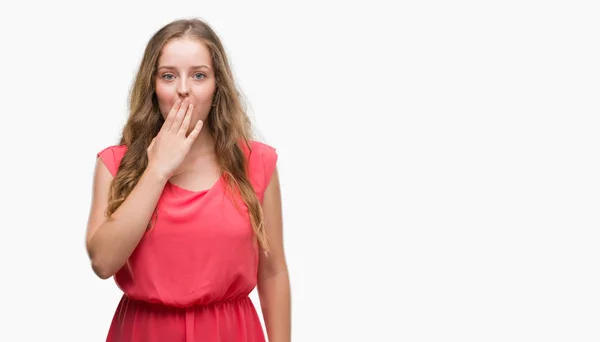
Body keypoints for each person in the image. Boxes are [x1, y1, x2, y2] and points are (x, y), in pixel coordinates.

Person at [84, 18, 291, 342]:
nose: (184, 88)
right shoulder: (114, 164)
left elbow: (273, 271)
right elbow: (102, 262)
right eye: (169, 75)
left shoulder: (257, 163)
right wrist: (157, 170)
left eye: (198, 75)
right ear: (153, 86)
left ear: (216, 85)